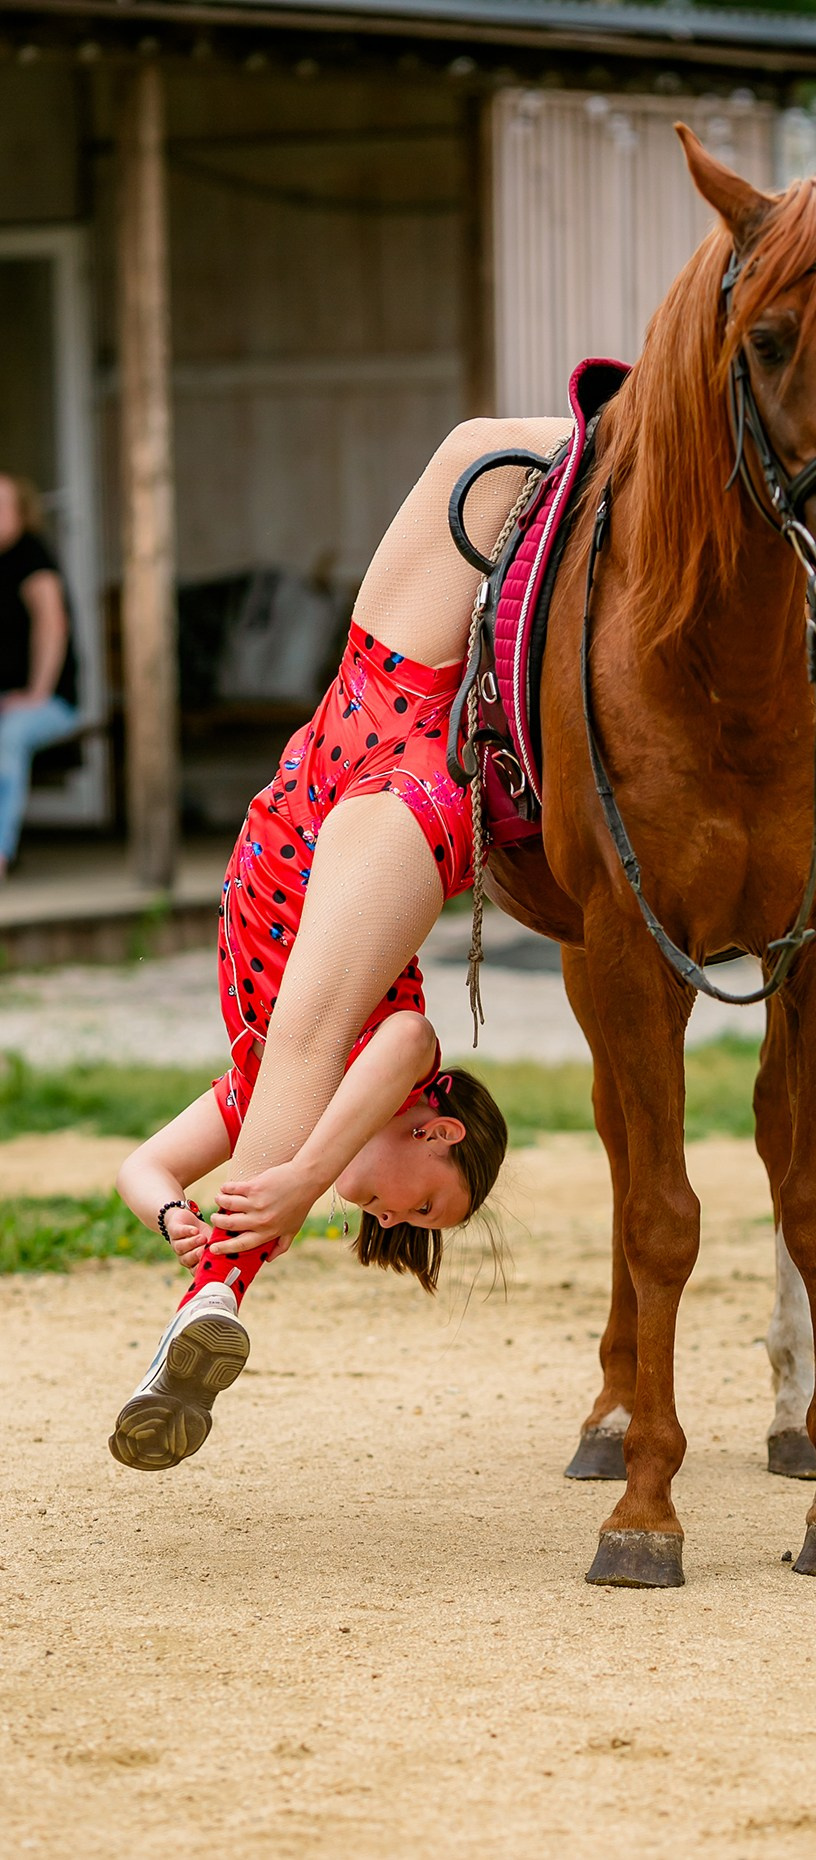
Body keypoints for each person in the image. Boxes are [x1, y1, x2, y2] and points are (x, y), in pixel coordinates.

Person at [110, 414, 570, 1472]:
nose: (394, 1214)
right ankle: (674, 411)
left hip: (338, 761)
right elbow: (405, 1041)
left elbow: (144, 1164)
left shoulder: (253, 1102)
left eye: (407, 1223)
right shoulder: (397, 1066)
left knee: (477, 448)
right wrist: (305, 1178)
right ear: (438, 1128)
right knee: (481, 448)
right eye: (424, 1203)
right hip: (387, 765)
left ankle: (207, 1300)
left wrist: (176, 1211)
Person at [0, 473, 81, 878]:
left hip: (51, 702)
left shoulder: (33, 558)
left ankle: (0, 852)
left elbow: (52, 625)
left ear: (22, 513)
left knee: (9, 736)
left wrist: (37, 693)